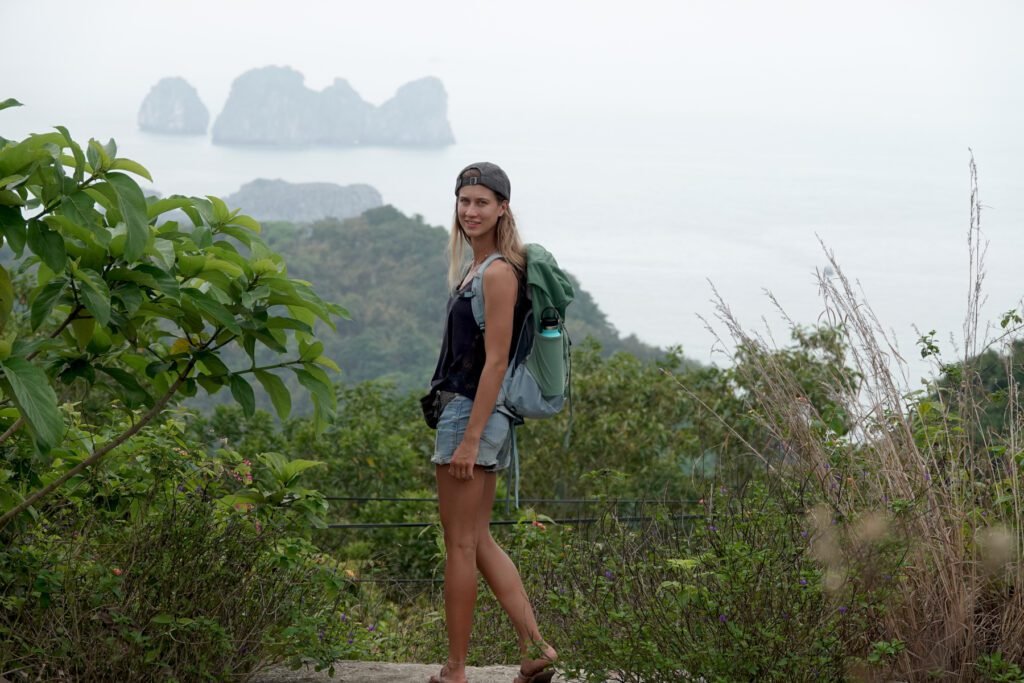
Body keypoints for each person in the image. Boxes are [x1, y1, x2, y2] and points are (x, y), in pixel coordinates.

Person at [427, 162, 558, 683]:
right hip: (474, 415)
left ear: (503, 207)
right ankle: (535, 648)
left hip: (471, 416)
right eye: (464, 201)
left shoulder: (499, 272)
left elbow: (497, 360)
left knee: (459, 543)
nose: (471, 210)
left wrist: (470, 439)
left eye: (482, 201)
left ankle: (455, 669)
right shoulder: (476, 269)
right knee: (477, 540)